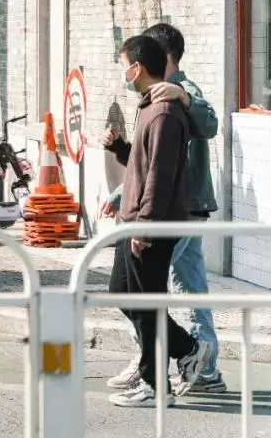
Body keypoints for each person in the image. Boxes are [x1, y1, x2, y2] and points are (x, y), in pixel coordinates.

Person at [101, 24, 224, 393]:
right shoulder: (153, 99)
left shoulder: (176, 99)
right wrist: (121, 158)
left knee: (159, 291)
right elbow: (146, 162)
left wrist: (144, 224)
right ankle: (188, 358)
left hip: (178, 210)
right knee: (155, 288)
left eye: (132, 63)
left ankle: (183, 364)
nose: (129, 70)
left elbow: (164, 168)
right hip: (156, 211)